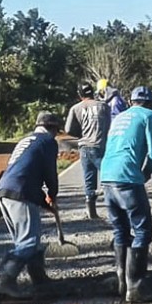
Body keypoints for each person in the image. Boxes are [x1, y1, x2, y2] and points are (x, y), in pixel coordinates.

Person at [99, 86, 152, 302]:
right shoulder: (149, 116)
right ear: (150, 103)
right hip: (127, 178)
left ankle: (121, 281)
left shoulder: (119, 116)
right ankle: (135, 285)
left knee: (120, 230)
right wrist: (145, 173)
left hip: (107, 177)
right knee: (143, 230)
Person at [0, 112, 62, 298]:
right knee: (29, 241)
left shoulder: (27, 141)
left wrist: (44, 201)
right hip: (20, 192)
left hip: (4, 191)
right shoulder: (48, 141)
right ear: (53, 128)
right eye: (56, 131)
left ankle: (39, 279)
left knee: (27, 239)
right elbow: (50, 172)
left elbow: (27, 172)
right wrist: (52, 194)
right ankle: (5, 280)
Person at [65, 82, 111, 219]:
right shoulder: (104, 106)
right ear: (93, 92)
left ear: (79, 95)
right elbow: (108, 125)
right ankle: (112, 208)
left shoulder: (75, 108)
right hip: (100, 145)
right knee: (108, 177)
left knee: (89, 179)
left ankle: (91, 209)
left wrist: (80, 133)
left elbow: (68, 129)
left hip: (84, 146)